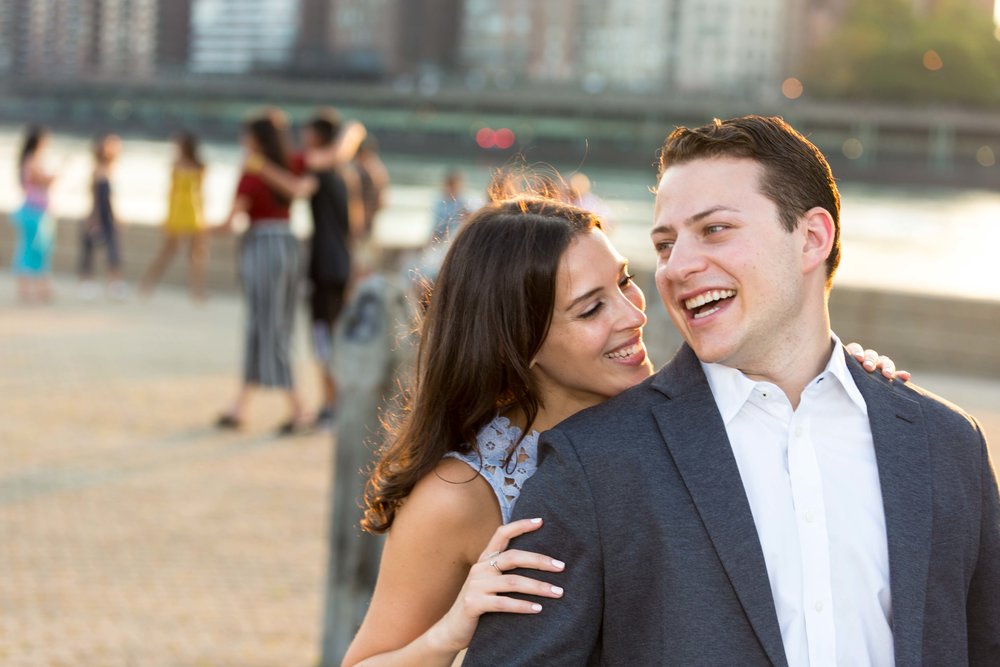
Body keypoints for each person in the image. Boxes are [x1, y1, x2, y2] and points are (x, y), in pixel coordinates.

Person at [464, 116, 1000, 665]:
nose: (676, 268)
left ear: (812, 238)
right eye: (666, 243)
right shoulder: (593, 466)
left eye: (714, 229)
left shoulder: (946, 444)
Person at [339, 191, 905, 666]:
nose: (634, 316)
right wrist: (452, 629)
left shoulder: (690, 408)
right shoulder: (459, 496)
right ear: (520, 340)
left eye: (624, 281)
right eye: (591, 309)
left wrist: (845, 380)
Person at [213, 114, 310, 434]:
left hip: (261, 248)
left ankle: (298, 408)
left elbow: (232, 219)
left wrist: (201, 229)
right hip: (286, 245)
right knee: (267, 324)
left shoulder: (254, 172)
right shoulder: (293, 162)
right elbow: (302, 187)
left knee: (267, 326)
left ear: (256, 139)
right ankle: (240, 404)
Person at [139, 131, 208, 300]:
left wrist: (204, 214)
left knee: (197, 253)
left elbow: (201, 192)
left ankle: (196, 291)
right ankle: (147, 283)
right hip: (177, 211)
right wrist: (166, 216)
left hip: (193, 211)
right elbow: (170, 191)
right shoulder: (175, 164)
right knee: (168, 251)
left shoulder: (200, 166)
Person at [11, 125, 58, 303]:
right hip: (34, 212)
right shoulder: (32, 161)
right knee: (34, 249)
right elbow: (44, 181)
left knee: (36, 249)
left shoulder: (29, 160)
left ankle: (39, 288)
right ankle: (34, 288)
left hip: (36, 211)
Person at [79, 133, 126, 299]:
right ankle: (89, 284)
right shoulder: (98, 171)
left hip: (108, 215)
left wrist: (118, 216)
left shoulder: (110, 169)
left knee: (113, 251)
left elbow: (112, 199)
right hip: (100, 215)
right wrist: (94, 218)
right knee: (92, 249)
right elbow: (97, 199)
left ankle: (113, 284)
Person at [430, 169, 472, 243]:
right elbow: (436, 228)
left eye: (453, 186)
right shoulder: (439, 203)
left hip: (456, 239)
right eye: (448, 185)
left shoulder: (464, 203)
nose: (449, 189)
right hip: (442, 239)